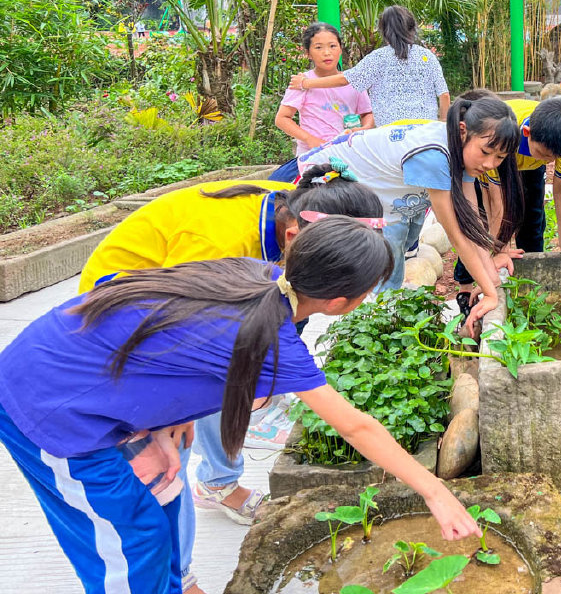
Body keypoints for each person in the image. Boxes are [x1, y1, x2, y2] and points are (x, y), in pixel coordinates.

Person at [0, 218, 482, 594]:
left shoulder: (265, 279)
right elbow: (357, 428)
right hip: (47, 407)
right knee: (131, 542)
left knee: (163, 505)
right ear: (339, 302)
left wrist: (167, 426)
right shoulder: (272, 332)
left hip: (83, 378)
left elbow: (173, 346)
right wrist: (435, 492)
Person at [78, 165, 384, 594]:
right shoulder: (218, 248)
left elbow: (278, 312)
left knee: (216, 400)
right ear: (296, 237)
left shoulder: (311, 199)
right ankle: (179, 577)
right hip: (128, 319)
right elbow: (178, 341)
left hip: (183, 316)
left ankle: (219, 483)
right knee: (165, 461)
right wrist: (175, 411)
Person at [297, 97, 525, 327]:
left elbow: (472, 222)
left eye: (500, 158)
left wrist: (491, 281)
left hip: (378, 195)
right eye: (486, 152)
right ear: (463, 131)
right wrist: (490, 292)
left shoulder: (462, 152)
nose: (490, 164)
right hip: (330, 184)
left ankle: (381, 321)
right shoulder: (434, 157)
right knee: (373, 263)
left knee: (390, 259)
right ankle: (371, 326)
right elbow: (457, 234)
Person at [451, 96, 561, 315]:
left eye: (553, 158)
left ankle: (530, 286)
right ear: (528, 134)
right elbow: (495, 200)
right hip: (496, 158)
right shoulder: (502, 136)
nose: (549, 161)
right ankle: (466, 288)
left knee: (533, 218)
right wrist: (499, 249)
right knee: (477, 225)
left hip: (529, 168)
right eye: (544, 154)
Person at [289, 6, 450, 127]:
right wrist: (442, 123)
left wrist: (306, 83)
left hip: (390, 134)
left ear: (384, 31)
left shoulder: (378, 57)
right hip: (426, 129)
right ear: (412, 27)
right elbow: (444, 95)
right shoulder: (427, 56)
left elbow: (345, 79)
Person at [272, 22, 374, 182]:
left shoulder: (352, 80)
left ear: (341, 48)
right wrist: (310, 140)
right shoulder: (301, 82)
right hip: (313, 157)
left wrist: (365, 128)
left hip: (349, 155)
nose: (327, 53)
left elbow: (367, 113)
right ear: (308, 53)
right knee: (275, 189)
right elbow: (282, 119)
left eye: (332, 46)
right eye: (318, 47)